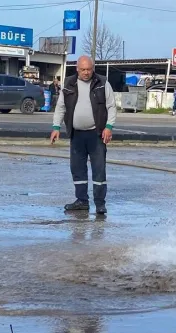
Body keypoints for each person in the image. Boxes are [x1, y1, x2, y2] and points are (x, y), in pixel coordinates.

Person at [50, 55, 117, 215]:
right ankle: (81, 201)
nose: (86, 73)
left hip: (97, 134)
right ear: (77, 69)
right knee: (77, 169)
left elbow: (112, 107)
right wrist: (56, 127)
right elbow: (61, 107)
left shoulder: (102, 83)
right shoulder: (68, 84)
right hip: (77, 135)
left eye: (89, 69)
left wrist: (109, 127)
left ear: (93, 68)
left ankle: (100, 204)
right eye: (83, 70)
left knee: (99, 170)